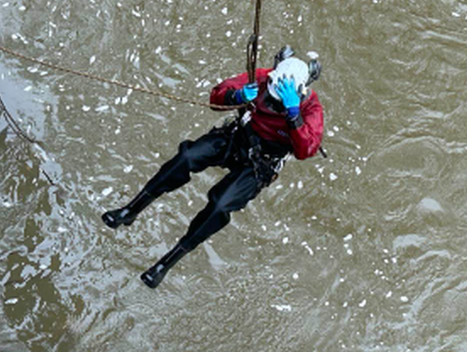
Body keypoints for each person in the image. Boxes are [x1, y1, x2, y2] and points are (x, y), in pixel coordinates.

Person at [102, 46, 324, 288]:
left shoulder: (309, 109)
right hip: (237, 137)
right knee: (187, 157)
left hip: (261, 163)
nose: (273, 104)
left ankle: (168, 261)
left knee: (220, 205)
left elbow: (306, 150)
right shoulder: (260, 77)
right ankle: (131, 210)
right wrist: (236, 97)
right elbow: (217, 96)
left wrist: (293, 116)